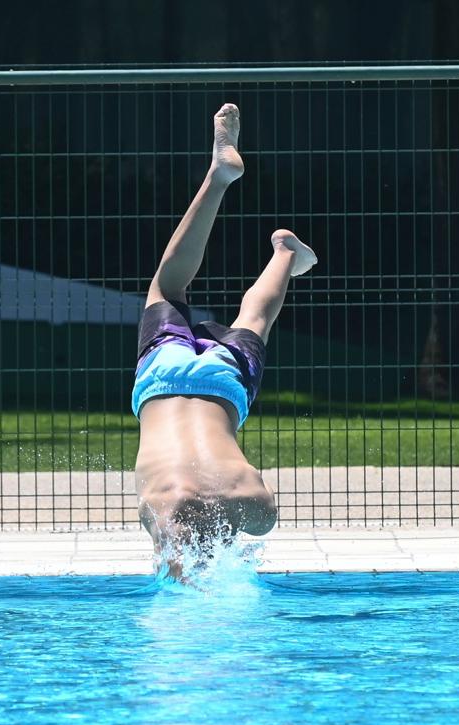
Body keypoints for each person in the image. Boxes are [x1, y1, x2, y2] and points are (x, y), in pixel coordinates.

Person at [132, 104, 317, 580]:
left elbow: (192, 560)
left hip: (223, 385)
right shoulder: (162, 503)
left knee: (255, 317)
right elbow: (173, 560)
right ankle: (217, 176)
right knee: (167, 288)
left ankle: (285, 254)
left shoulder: (251, 504)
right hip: (161, 378)